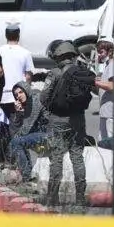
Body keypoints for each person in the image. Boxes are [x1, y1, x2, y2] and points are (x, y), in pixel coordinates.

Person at [42, 40, 94, 205]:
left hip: (57, 120)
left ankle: (52, 198)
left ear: (58, 55)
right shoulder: (82, 72)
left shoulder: (55, 73)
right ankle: (80, 197)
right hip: (78, 120)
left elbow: (44, 98)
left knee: (56, 158)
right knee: (77, 157)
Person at [0, 22, 35, 165]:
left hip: (1, 96)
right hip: (17, 96)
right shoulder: (25, 53)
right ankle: (13, 159)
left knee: (3, 126)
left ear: (6, 35)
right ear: (18, 35)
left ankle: (1, 159)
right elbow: (28, 76)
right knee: (16, 128)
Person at [7, 83, 47, 182]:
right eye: (16, 95)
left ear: (26, 91)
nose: (19, 96)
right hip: (42, 133)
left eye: (21, 92)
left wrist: (20, 114)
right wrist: (19, 114)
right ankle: (27, 173)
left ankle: (26, 176)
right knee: (18, 141)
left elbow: (25, 130)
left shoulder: (35, 100)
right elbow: (18, 130)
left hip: (50, 134)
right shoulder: (28, 104)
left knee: (17, 142)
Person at [94, 37, 114, 144]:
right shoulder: (108, 66)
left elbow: (112, 85)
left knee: (108, 142)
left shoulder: (112, 65)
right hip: (106, 112)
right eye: (98, 52)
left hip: (110, 113)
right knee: (103, 141)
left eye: (101, 52)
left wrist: (96, 83)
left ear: (110, 51)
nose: (99, 55)